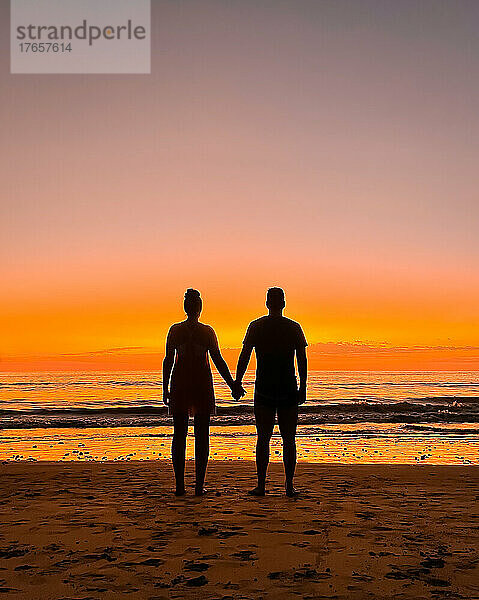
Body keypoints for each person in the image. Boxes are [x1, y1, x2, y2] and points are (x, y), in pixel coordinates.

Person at [163, 289, 244, 496]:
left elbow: (168, 361)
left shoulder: (175, 330)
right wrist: (233, 384)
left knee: (179, 434)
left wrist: (165, 388)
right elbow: (218, 360)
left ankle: (180, 486)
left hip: (180, 383)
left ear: (185, 307)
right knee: (202, 435)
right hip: (201, 384)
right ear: (199, 309)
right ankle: (199, 486)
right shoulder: (207, 331)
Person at [234, 287, 307, 497]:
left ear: (267, 303)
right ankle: (289, 485)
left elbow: (244, 355)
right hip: (287, 388)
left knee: (263, 438)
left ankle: (262, 485)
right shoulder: (293, 327)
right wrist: (303, 386)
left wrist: (238, 382)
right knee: (288, 439)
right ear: (283, 303)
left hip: (265, 388)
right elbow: (301, 360)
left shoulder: (257, 326)